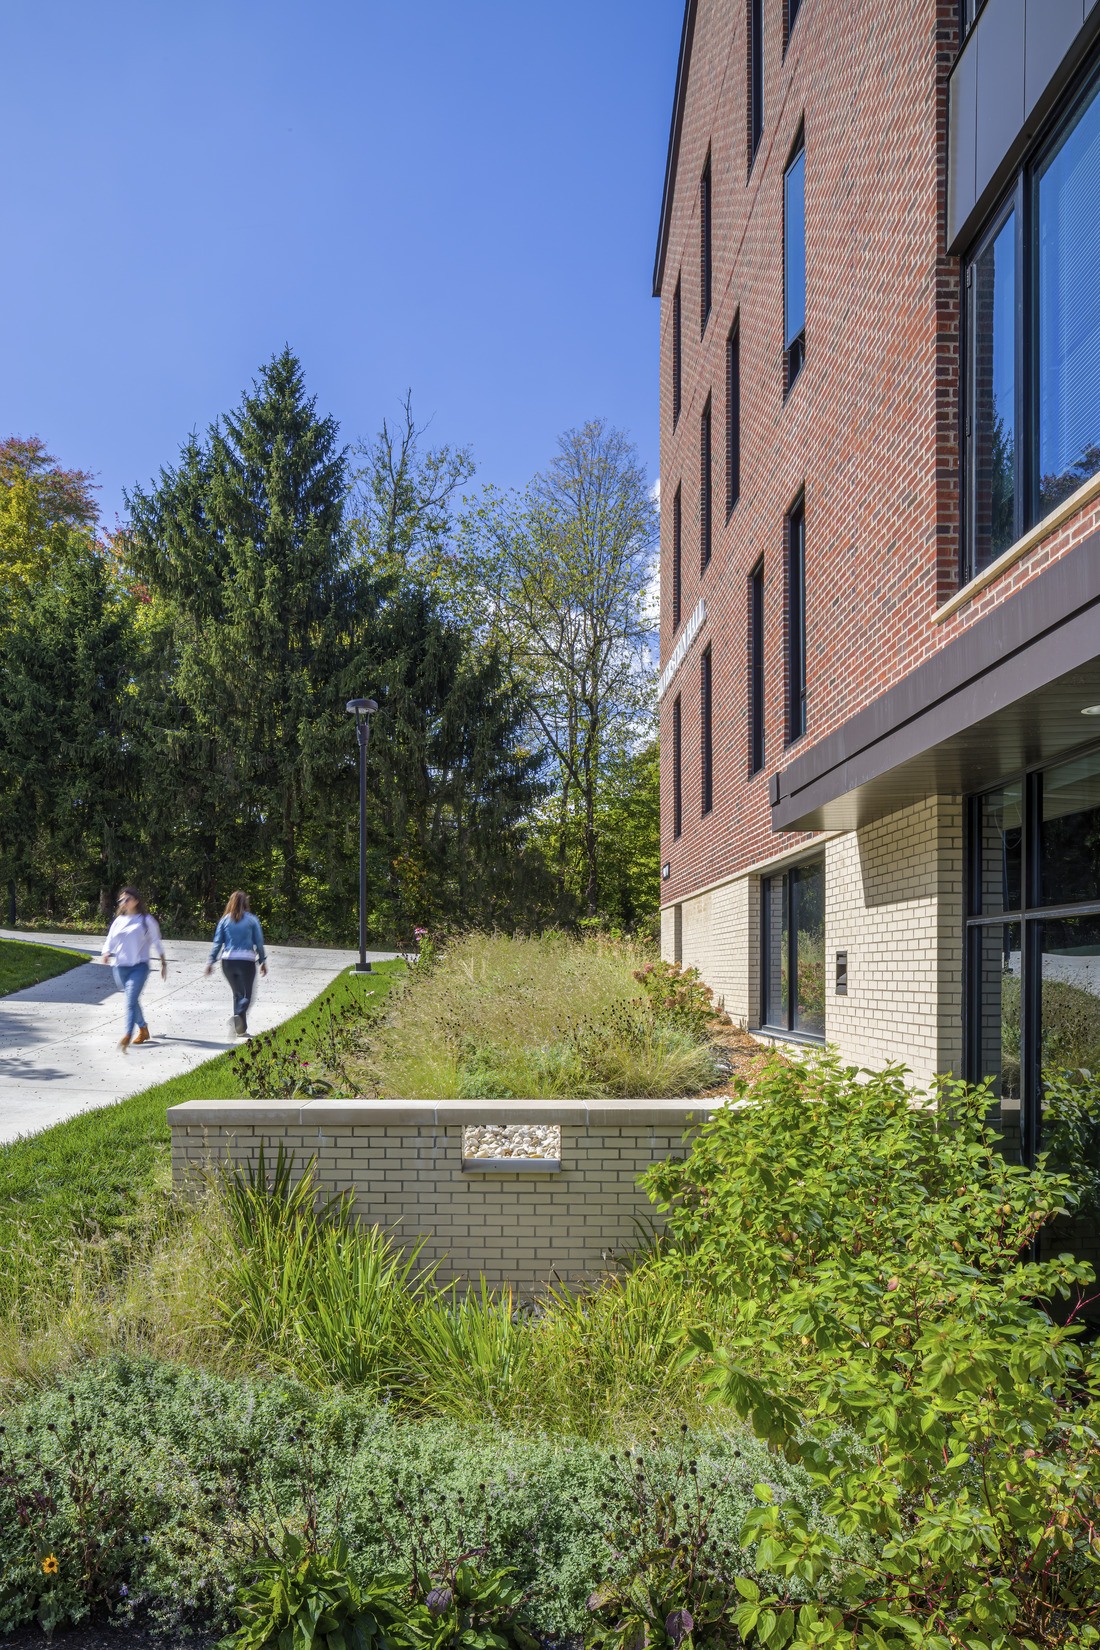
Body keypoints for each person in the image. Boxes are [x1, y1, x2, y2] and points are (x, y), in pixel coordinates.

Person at [100, 887, 167, 1051]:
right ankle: (143, 1028)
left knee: (130, 1001)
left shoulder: (146, 920)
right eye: (121, 900)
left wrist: (163, 962)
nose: (124, 902)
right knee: (132, 1000)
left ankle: (127, 1034)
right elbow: (110, 940)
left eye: (127, 899)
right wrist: (106, 952)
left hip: (139, 967)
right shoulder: (118, 921)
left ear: (136, 900)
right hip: (120, 967)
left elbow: (157, 942)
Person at [206, 891, 267, 1037]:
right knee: (246, 995)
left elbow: (217, 942)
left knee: (237, 994)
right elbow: (259, 942)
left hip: (227, 962)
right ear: (246, 903)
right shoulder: (252, 920)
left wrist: (210, 961)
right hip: (246, 961)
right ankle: (238, 1015)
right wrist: (263, 960)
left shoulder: (225, 920)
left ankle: (240, 1029)